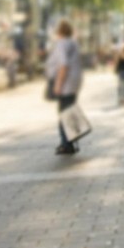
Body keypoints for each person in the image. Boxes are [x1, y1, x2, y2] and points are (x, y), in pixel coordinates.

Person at [46, 21, 82, 155]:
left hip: (65, 83)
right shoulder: (73, 43)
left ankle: (66, 144)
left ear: (59, 31)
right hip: (74, 83)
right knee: (69, 111)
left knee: (64, 113)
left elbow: (63, 65)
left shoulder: (61, 44)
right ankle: (70, 142)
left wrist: (58, 84)